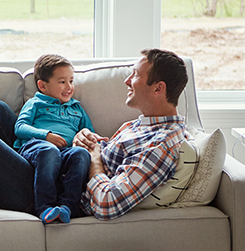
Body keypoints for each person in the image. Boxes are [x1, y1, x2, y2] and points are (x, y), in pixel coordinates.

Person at [73, 48, 191, 220]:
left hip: (59, 196)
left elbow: (107, 204)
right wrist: (84, 139)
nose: (127, 81)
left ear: (158, 88)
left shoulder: (161, 145)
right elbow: (105, 157)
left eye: (135, 75)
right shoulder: (141, 125)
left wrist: (94, 159)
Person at [13, 54, 92, 224]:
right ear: (43, 86)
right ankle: (45, 207)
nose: (69, 87)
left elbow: (88, 132)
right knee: (49, 150)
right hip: (36, 148)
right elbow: (20, 128)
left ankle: (67, 207)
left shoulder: (76, 108)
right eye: (62, 81)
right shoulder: (36, 103)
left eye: (71, 81)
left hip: (66, 152)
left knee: (81, 154)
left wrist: (93, 138)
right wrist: (46, 136)